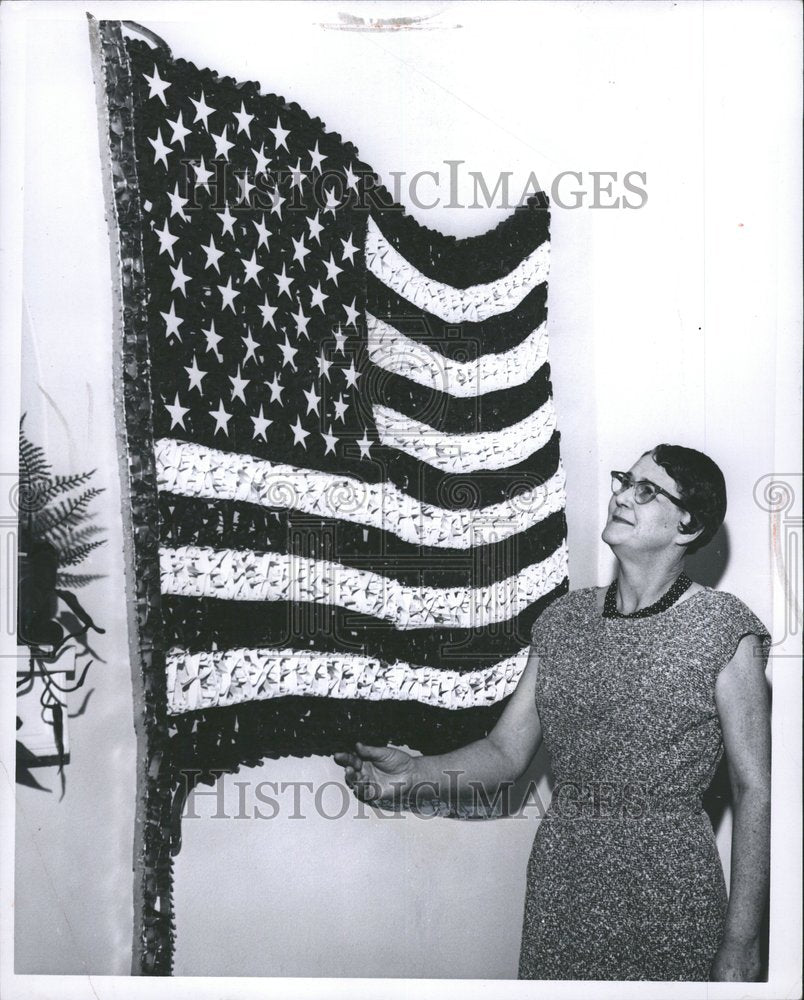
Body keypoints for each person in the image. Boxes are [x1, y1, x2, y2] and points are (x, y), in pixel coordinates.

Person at [335, 444, 771, 982]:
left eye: (646, 490)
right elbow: (505, 752)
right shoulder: (564, 620)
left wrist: (742, 939)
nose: (621, 496)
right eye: (622, 481)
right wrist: (414, 775)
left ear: (687, 524)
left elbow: (754, 787)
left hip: (670, 886)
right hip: (563, 880)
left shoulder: (725, 628)